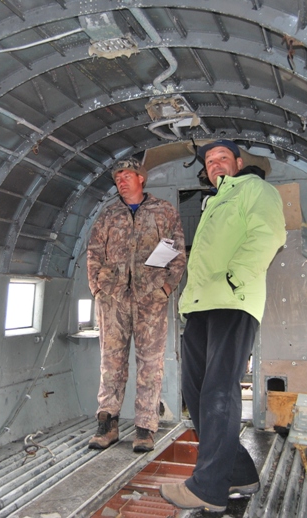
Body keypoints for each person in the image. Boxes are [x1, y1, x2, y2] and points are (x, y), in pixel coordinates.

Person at [160, 140, 286, 512]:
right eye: (210, 160)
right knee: (196, 391)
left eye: (222, 157)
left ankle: (208, 488)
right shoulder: (214, 201)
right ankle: (240, 473)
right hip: (200, 306)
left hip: (232, 300)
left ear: (239, 163)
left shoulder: (254, 189)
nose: (215, 164)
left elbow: (268, 234)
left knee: (218, 391)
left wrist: (235, 278)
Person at [86, 157, 186, 453]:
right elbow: (93, 252)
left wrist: (166, 288)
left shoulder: (164, 211)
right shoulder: (108, 214)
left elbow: (177, 251)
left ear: (141, 178)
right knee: (110, 362)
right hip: (112, 298)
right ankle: (108, 424)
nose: (121, 181)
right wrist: (97, 289)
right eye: (118, 177)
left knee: (150, 364)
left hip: (150, 298)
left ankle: (145, 428)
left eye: (127, 175)